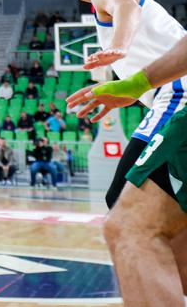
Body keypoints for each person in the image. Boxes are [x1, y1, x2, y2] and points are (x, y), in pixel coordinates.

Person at [67, 31, 187, 303]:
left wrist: (133, 79)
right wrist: (135, 86)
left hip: (177, 104)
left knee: (127, 225)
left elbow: (124, 6)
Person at [74, 0, 187, 208]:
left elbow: (128, 8)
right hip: (171, 95)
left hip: (178, 95)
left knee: (124, 198)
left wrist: (118, 45)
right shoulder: (120, 3)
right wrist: (131, 94)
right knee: (164, 199)